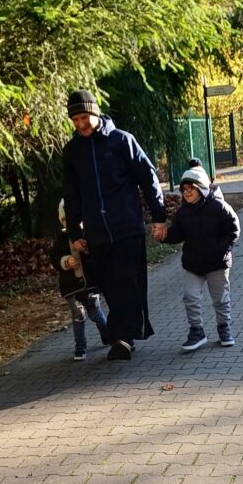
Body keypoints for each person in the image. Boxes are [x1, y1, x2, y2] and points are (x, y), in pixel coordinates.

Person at [62, 90, 167, 361]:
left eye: (84, 117)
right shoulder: (72, 152)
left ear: (95, 114)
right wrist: (75, 232)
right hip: (97, 232)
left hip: (127, 227)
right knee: (108, 285)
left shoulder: (122, 141)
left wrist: (158, 216)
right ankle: (122, 335)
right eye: (75, 120)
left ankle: (124, 338)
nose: (80, 124)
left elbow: (148, 177)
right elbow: (71, 194)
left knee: (129, 284)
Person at [165, 165, 240, 350]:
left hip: (217, 262)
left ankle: (224, 328)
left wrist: (222, 250)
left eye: (190, 188)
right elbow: (177, 234)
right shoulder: (183, 212)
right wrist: (165, 236)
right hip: (194, 263)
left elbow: (233, 229)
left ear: (201, 187)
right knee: (190, 297)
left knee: (220, 299)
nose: (186, 192)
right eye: (183, 189)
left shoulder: (218, 206)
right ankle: (197, 331)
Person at [49, 200, 110, 361]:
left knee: (95, 312)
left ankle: (107, 333)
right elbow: (54, 259)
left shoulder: (87, 236)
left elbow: (96, 254)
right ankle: (80, 346)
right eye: (67, 221)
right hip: (71, 286)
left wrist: (86, 251)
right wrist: (66, 261)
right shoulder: (61, 239)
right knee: (78, 315)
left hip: (89, 284)